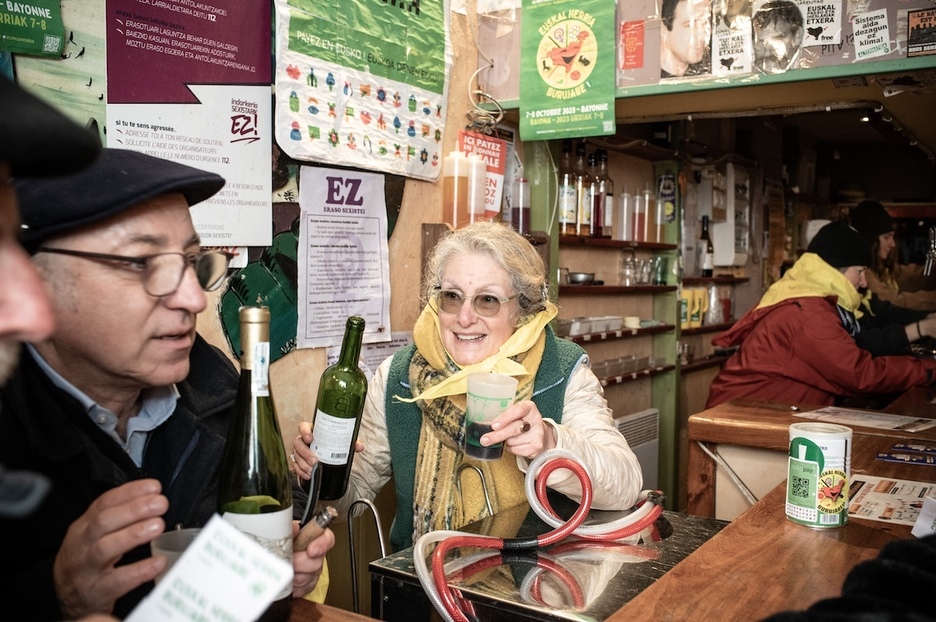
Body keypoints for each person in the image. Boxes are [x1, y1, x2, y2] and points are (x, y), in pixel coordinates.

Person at [0, 148, 334, 620]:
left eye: (192, 260)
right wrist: (55, 595)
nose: (194, 298)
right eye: (142, 263)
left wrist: (282, 553)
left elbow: (264, 500)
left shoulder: (210, 376)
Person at [291, 220, 644, 552]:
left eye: (487, 300)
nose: (464, 317)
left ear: (520, 310)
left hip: (537, 590)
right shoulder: (398, 376)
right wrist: (320, 475)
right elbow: (351, 500)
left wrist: (550, 445)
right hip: (423, 581)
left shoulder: (561, 370)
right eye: (452, 296)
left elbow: (625, 485)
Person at [706, 221, 936, 409]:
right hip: (740, 424)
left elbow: (859, 345)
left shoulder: (815, 302)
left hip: (758, 415)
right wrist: (928, 369)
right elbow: (860, 375)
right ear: (833, 272)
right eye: (860, 272)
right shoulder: (808, 315)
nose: (864, 282)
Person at [849, 199, 936, 312]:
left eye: (892, 237)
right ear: (870, 241)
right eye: (886, 237)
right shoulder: (862, 274)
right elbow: (895, 301)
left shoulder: (881, 267)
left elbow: (912, 275)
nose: (893, 244)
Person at [660, 0, 713, 78]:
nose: (702, 35)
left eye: (705, 23)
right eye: (689, 25)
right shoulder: (646, 77)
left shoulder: (709, 70)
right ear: (663, 29)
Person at [752, 0, 804, 74]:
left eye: (777, 39)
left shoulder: (817, 64)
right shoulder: (744, 71)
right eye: (761, 41)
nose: (767, 53)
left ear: (797, 36)